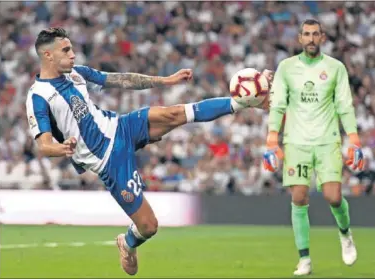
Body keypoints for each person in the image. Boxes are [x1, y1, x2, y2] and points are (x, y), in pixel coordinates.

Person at [26, 27, 272, 276]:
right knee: (149, 226)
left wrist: (165, 81)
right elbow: (43, 144)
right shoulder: (39, 96)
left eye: (71, 48)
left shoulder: (77, 73)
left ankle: (244, 103)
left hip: (120, 127)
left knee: (174, 113)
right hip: (108, 160)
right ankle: (128, 242)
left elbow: (121, 79)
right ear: (47, 56)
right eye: (66, 50)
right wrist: (61, 148)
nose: (73, 55)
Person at [263, 19, 364, 276]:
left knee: (333, 196)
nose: (310, 38)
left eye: (315, 34)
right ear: (299, 38)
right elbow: (278, 105)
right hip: (296, 142)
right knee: (298, 198)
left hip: (327, 140)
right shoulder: (286, 68)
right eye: (306, 34)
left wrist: (354, 139)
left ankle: (345, 234)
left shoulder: (335, 68)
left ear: (322, 37)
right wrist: (272, 138)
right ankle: (305, 259)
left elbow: (344, 105)